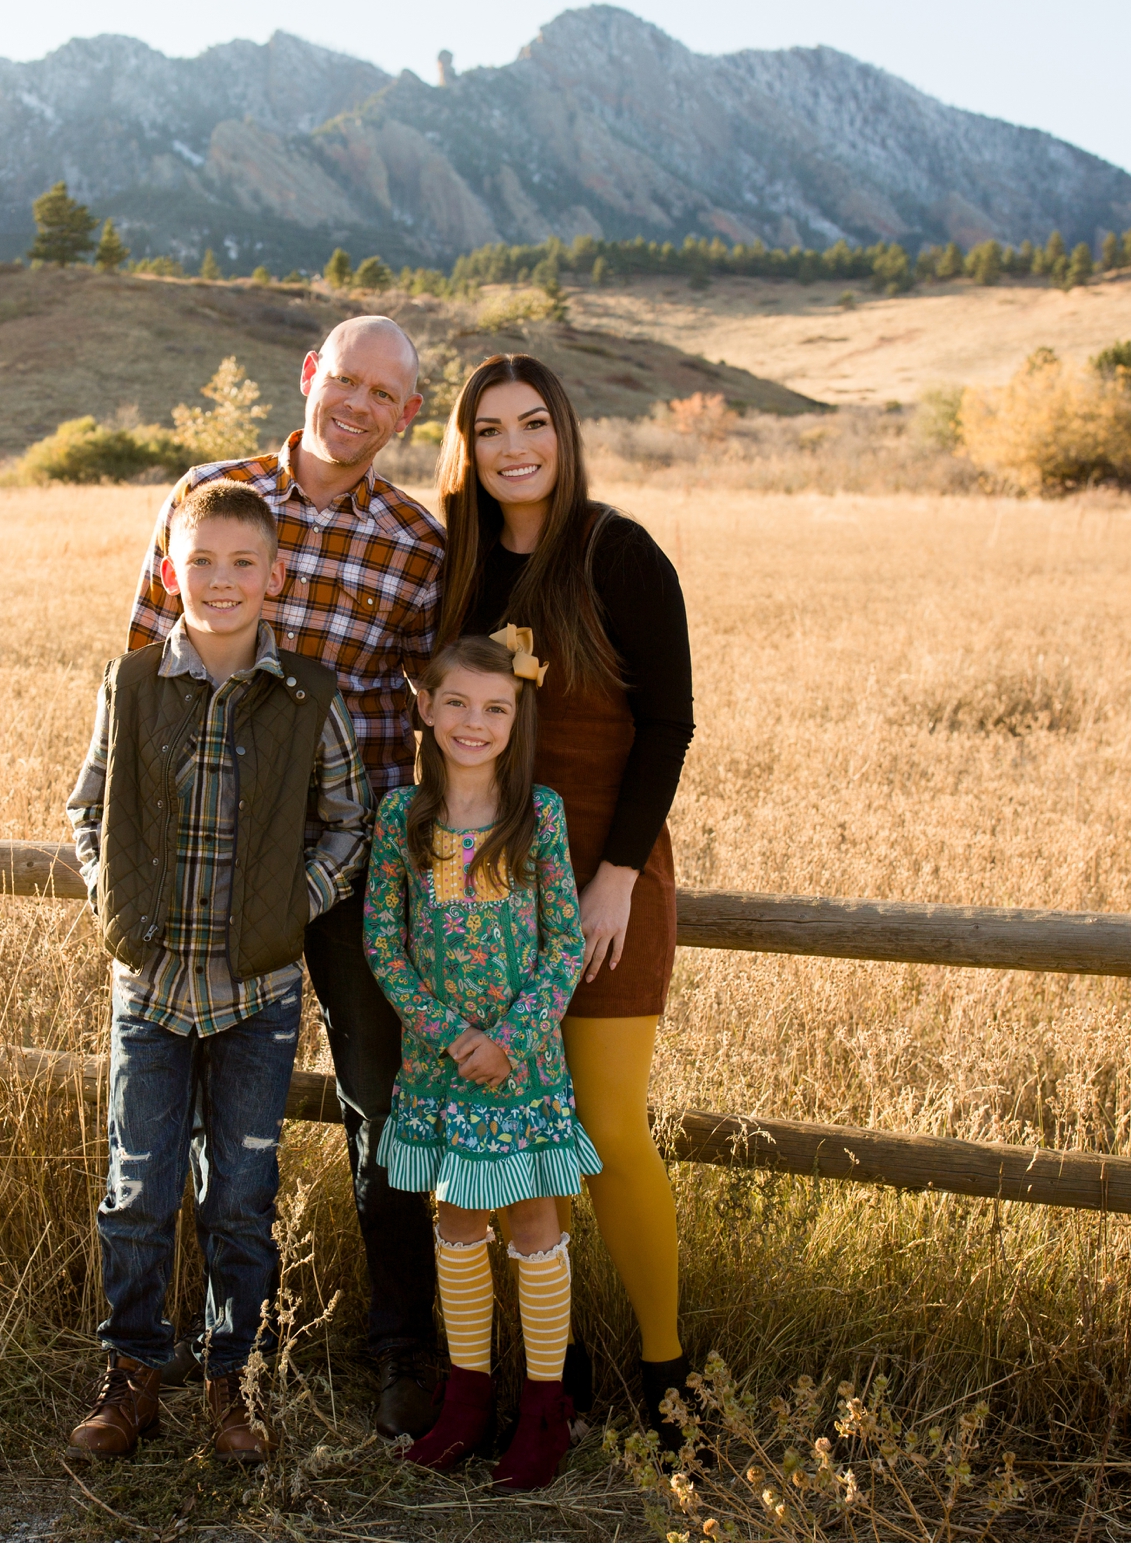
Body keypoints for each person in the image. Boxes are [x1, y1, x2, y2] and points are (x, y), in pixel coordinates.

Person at [125, 316, 449, 1439]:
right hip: (209, 854)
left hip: (348, 858)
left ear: (406, 416)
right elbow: (140, 669)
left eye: (383, 395)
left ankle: (407, 1347)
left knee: (381, 1093)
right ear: (309, 376)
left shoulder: (416, 540)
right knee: (184, 1103)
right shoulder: (211, 496)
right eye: (343, 380)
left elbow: (440, 697)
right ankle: (165, 1360)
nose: (356, 405)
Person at [65, 481, 372, 1463]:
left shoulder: (306, 696)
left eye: (245, 563)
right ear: (171, 573)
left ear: (276, 577)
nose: (224, 580)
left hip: (256, 1000)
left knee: (240, 1194)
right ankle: (132, 1378)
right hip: (151, 992)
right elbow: (86, 809)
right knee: (138, 1189)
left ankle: (230, 1382)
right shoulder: (133, 684)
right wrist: (114, 902)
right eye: (203, 562)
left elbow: (349, 822)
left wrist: (294, 906)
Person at [431, 353, 698, 1454]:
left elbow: (670, 723)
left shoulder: (614, 551)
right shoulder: (455, 560)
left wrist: (617, 878)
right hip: (484, 892)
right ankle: (558, 1362)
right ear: (466, 445)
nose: (512, 448)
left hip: (602, 882)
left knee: (606, 1126)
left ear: (565, 431)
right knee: (512, 1134)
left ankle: (669, 1371)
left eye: (531, 423)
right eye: (488, 430)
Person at [364, 631, 594, 1492]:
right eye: (455, 703)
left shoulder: (539, 815)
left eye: (495, 708)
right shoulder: (403, 819)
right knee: (457, 1222)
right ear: (424, 708)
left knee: (533, 1224)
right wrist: (449, 1034)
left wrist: (512, 1039)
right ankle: (465, 1401)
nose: (473, 722)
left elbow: (563, 946)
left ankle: (542, 1410)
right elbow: (384, 943)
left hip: (523, 1068)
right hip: (438, 1065)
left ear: (516, 716)